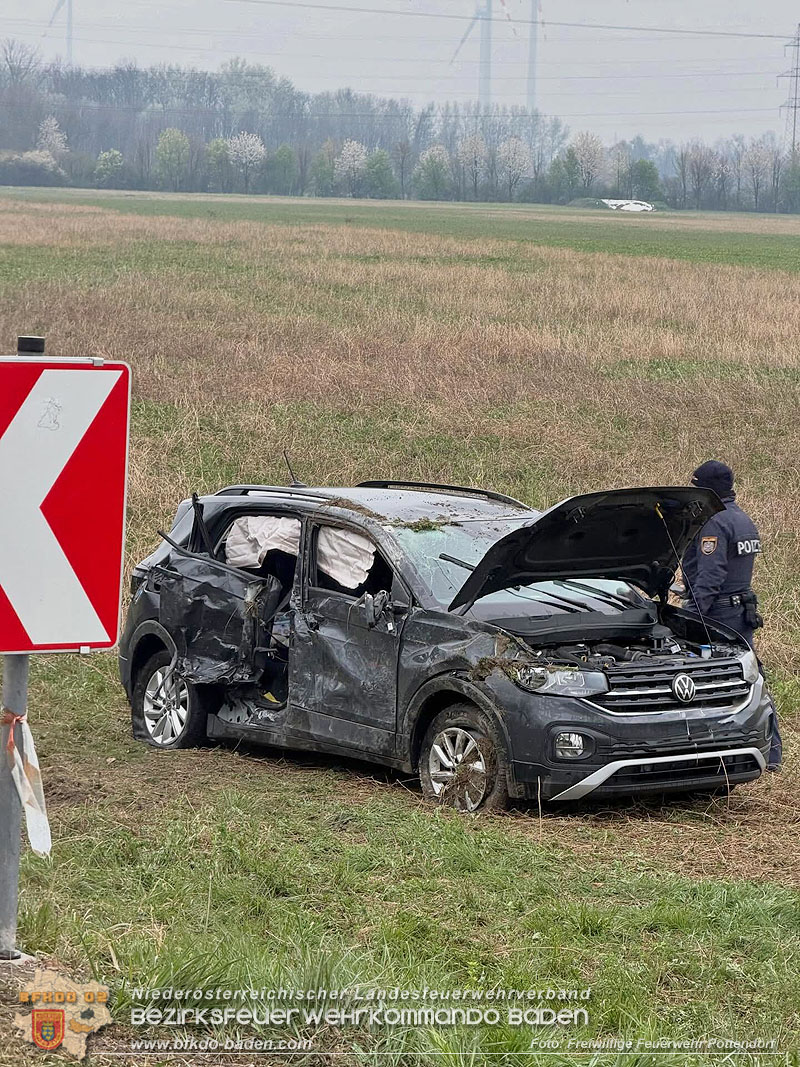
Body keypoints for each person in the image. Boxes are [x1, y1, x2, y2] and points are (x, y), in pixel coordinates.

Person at [680, 459, 781, 771]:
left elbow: (711, 577)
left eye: (696, 487)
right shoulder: (742, 519)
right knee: (751, 679)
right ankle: (770, 751)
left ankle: (714, 753)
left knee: (708, 682)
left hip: (718, 613)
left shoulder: (714, 522)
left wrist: (692, 618)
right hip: (740, 609)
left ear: (707, 489)